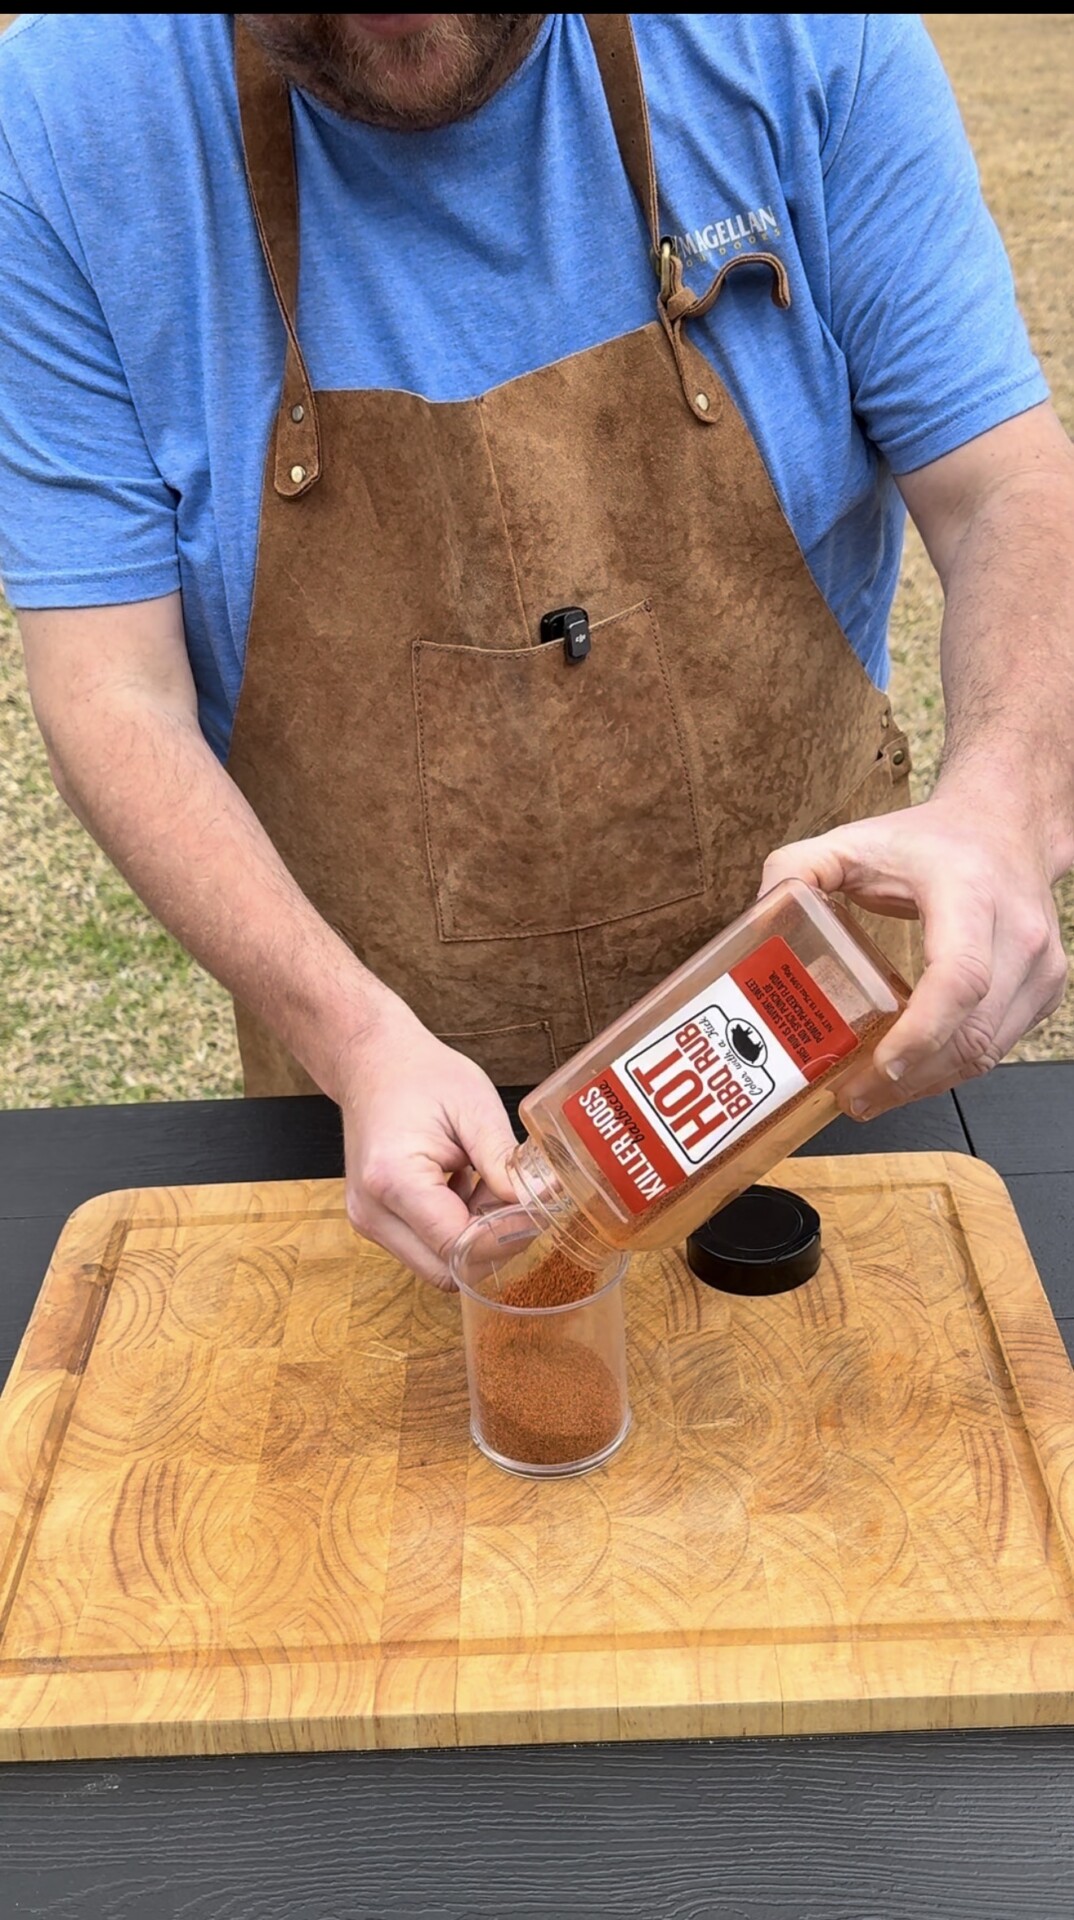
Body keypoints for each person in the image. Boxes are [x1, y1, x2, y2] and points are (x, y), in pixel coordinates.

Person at [1, 13, 1071, 1288]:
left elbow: (1007, 491)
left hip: (812, 1044)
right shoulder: (68, 124)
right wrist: (354, 1041)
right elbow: (113, 691)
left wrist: (1003, 807)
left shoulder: (801, 39)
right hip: (386, 1111)